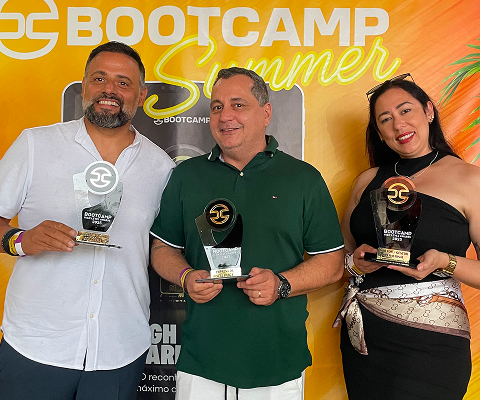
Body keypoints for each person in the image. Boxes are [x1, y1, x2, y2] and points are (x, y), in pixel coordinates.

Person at [150, 67, 344, 399]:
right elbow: (162, 249)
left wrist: (281, 284)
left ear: (266, 113)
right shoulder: (186, 176)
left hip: (278, 363)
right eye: (217, 106)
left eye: (238, 104)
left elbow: (332, 263)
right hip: (201, 362)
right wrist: (185, 276)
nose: (225, 116)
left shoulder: (303, 178)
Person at [0, 41, 174, 399]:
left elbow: (164, 246)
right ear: (84, 86)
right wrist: (20, 240)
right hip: (36, 345)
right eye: (99, 78)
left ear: (141, 95)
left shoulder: (161, 168)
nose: (110, 90)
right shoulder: (35, 145)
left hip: (120, 348)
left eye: (123, 83)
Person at [334, 74, 480, 399]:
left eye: (405, 110)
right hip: (366, 339)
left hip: (431, 342)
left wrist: (445, 261)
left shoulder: (471, 180)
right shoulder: (366, 182)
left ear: (428, 111)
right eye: (385, 119)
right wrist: (355, 264)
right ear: (379, 132)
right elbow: (339, 260)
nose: (398, 124)